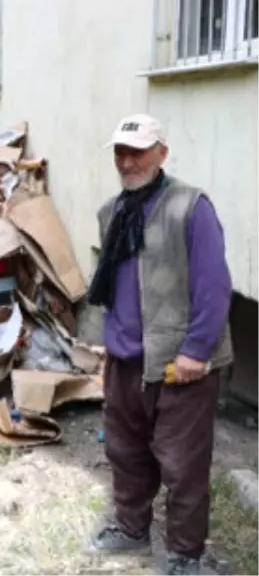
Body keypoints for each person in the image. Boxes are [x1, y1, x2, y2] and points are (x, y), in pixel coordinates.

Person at [85, 114, 233, 576]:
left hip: (179, 363)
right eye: (120, 153)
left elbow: (214, 286)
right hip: (127, 360)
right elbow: (111, 288)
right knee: (126, 453)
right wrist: (105, 349)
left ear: (162, 153)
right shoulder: (113, 211)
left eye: (138, 151)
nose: (127, 162)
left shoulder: (190, 206)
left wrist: (197, 351)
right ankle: (131, 530)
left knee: (182, 464)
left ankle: (187, 555)